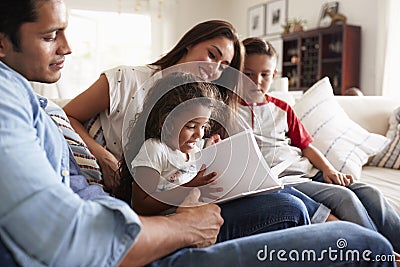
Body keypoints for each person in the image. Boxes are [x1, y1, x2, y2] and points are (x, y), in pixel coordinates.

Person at [0, 1, 397, 266]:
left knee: (350, 193)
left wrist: (212, 154)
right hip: (142, 208)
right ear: (188, 44)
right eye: (52, 35)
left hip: (170, 200)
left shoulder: (207, 100)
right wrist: (108, 161)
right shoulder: (125, 83)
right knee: (325, 220)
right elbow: (67, 231)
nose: (68, 48)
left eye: (226, 63)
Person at [239, 37, 400, 257]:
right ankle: (382, 255)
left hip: (310, 173)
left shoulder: (282, 108)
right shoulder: (228, 109)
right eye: (248, 74)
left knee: (370, 193)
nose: (256, 82)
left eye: (264, 75)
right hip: (284, 180)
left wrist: (328, 169)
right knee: (345, 198)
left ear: (274, 75)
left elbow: (306, 147)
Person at [63, 19, 243, 191]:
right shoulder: (125, 79)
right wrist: (103, 158)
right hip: (132, 193)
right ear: (190, 44)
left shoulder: (204, 106)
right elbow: (66, 117)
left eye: (223, 67)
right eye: (212, 55)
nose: (214, 68)